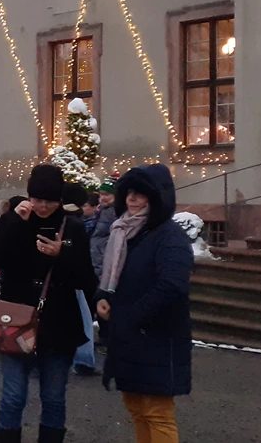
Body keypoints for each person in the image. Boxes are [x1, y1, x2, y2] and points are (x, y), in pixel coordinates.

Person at [0, 165, 97, 443]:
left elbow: (86, 279)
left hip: (58, 324)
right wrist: (10, 221)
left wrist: (62, 255)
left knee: (54, 397)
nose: (42, 206)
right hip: (16, 321)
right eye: (37, 199)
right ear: (29, 196)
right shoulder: (18, 220)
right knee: (13, 396)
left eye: (49, 200)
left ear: (59, 199)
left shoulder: (72, 226)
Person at [95, 165, 193, 443]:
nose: (131, 199)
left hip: (158, 338)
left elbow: (172, 285)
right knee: (137, 409)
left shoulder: (168, 236)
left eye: (140, 194)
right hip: (130, 338)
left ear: (156, 197)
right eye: (128, 193)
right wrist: (103, 298)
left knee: (157, 413)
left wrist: (129, 316)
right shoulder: (124, 232)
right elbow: (114, 278)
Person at [60, 183, 98, 377]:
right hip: (75, 281)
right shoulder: (77, 223)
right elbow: (83, 258)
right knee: (84, 319)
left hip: (53, 280)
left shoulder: (54, 218)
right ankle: (84, 360)